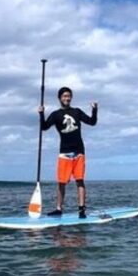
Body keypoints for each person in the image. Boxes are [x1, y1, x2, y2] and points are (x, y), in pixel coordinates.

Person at [39, 87, 97, 218]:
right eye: (64, 96)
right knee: (61, 182)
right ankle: (59, 209)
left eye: (69, 96)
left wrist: (94, 109)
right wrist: (41, 114)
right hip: (64, 153)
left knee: (80, 181)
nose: (67, 98)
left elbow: (92, 122)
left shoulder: (77, 112)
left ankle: (81, 210)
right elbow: (44, 127)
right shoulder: (55, 115)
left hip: (79, 152)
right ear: (60, 98)